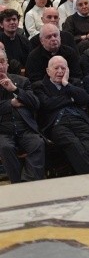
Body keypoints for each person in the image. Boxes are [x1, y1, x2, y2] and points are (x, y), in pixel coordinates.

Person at [34, 55, 89, 175]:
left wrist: (66, 84)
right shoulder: (39, 86)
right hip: (57, 124)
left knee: (88, 142)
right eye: (56, 68)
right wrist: (71, 99)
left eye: (63, 68)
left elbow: (84, 99)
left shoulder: (73, 83)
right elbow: (47, 104)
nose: (60, 71)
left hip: (79, 119)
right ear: (48, 71)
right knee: (73, 143)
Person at [0, 50, 43, 183]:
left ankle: (27, 183)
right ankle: (17, 183)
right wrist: (10, 103)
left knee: (38, 143)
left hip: (25, 128)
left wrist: (15, 90)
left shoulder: (22, 81)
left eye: (2, 62)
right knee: (5, 147)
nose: (0, 66)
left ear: (7, 64)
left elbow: (35, 103)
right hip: (3, 131)